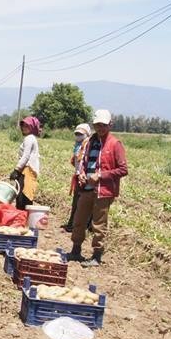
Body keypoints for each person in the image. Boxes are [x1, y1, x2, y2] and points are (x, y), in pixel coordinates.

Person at [69, 109, 128, 268]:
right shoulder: (89, 142)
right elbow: (81, 161)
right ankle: (75, 250)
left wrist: (100, 175)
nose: (100, 128)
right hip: (86, 188)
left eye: (103, 125)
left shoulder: (115, 144)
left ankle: (96, 255)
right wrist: (81, 173)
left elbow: (123, 170)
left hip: (103, 191)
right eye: (97, 125)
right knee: (79, 220)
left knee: (98, 224)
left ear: (110, 125)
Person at [63, 123, 92, 232]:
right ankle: (72, 225)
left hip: (85, 178)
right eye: (77, 134)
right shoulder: (78, 145)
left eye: (81, 134)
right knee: (76, 202)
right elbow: (75, 161)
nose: (78, 136)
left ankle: (82, 226)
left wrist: (82, 174)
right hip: (78, 176)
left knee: (82, 203)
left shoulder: (87, 144)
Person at [10, 116, 42, 210]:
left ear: (32, 127)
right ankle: (24, 218)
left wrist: (16, 170)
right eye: (23, 125)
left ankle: (22, 218)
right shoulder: (31, 138)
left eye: (27, 126)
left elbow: (26, 156)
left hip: (27, 170)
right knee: (25, 195)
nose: (24, 128)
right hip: (27, 169)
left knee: (23, 196)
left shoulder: (29, 139)